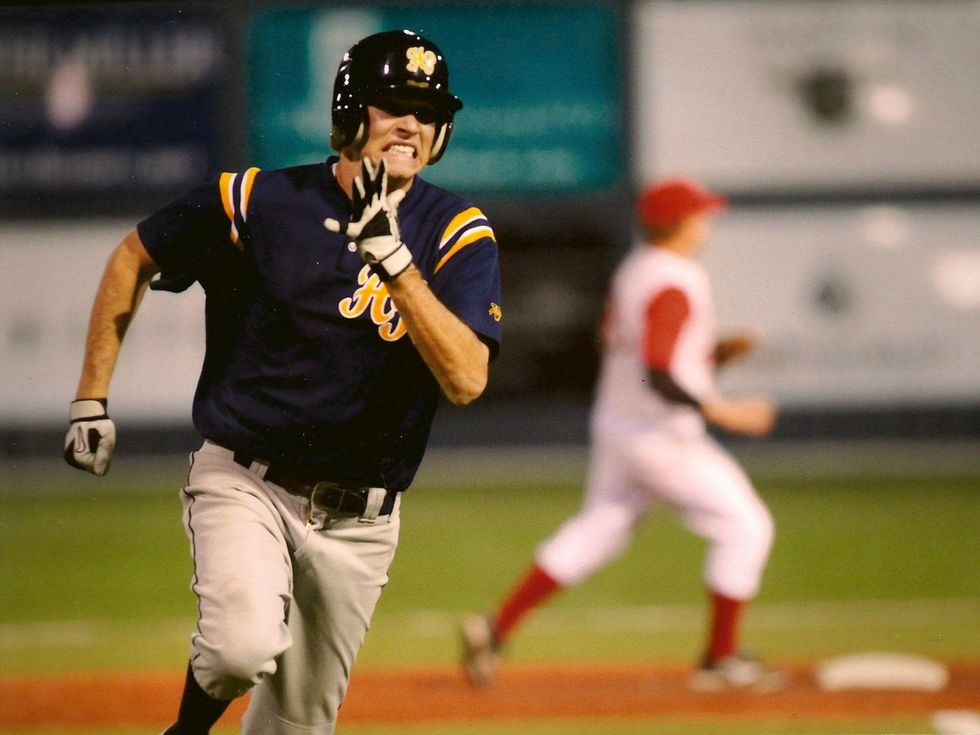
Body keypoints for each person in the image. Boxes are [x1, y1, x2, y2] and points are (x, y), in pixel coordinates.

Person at [63, 29, 502, 735]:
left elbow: (466, 378)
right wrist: (91, 396)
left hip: (362, 521)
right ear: (351, 112)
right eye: (394, 105)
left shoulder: (454, 230)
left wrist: (393, 259)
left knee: (294, 727)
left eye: (428, 111)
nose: (412, 126)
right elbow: (134, 255)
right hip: (248, 477)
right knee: (240, 647)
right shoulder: (260, 201)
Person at [460, 178, 784, 692]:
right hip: (662, 437)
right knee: (747, 526)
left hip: (619, 425)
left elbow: (636, 352)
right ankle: (721, 660)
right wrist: (725, 412)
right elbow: (657, 369)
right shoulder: (677, 278)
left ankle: (497, 625)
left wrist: (715, 355)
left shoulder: (636, 270)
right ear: (679, 224)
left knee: (601, 528)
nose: (706, 225)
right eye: (700, 216)